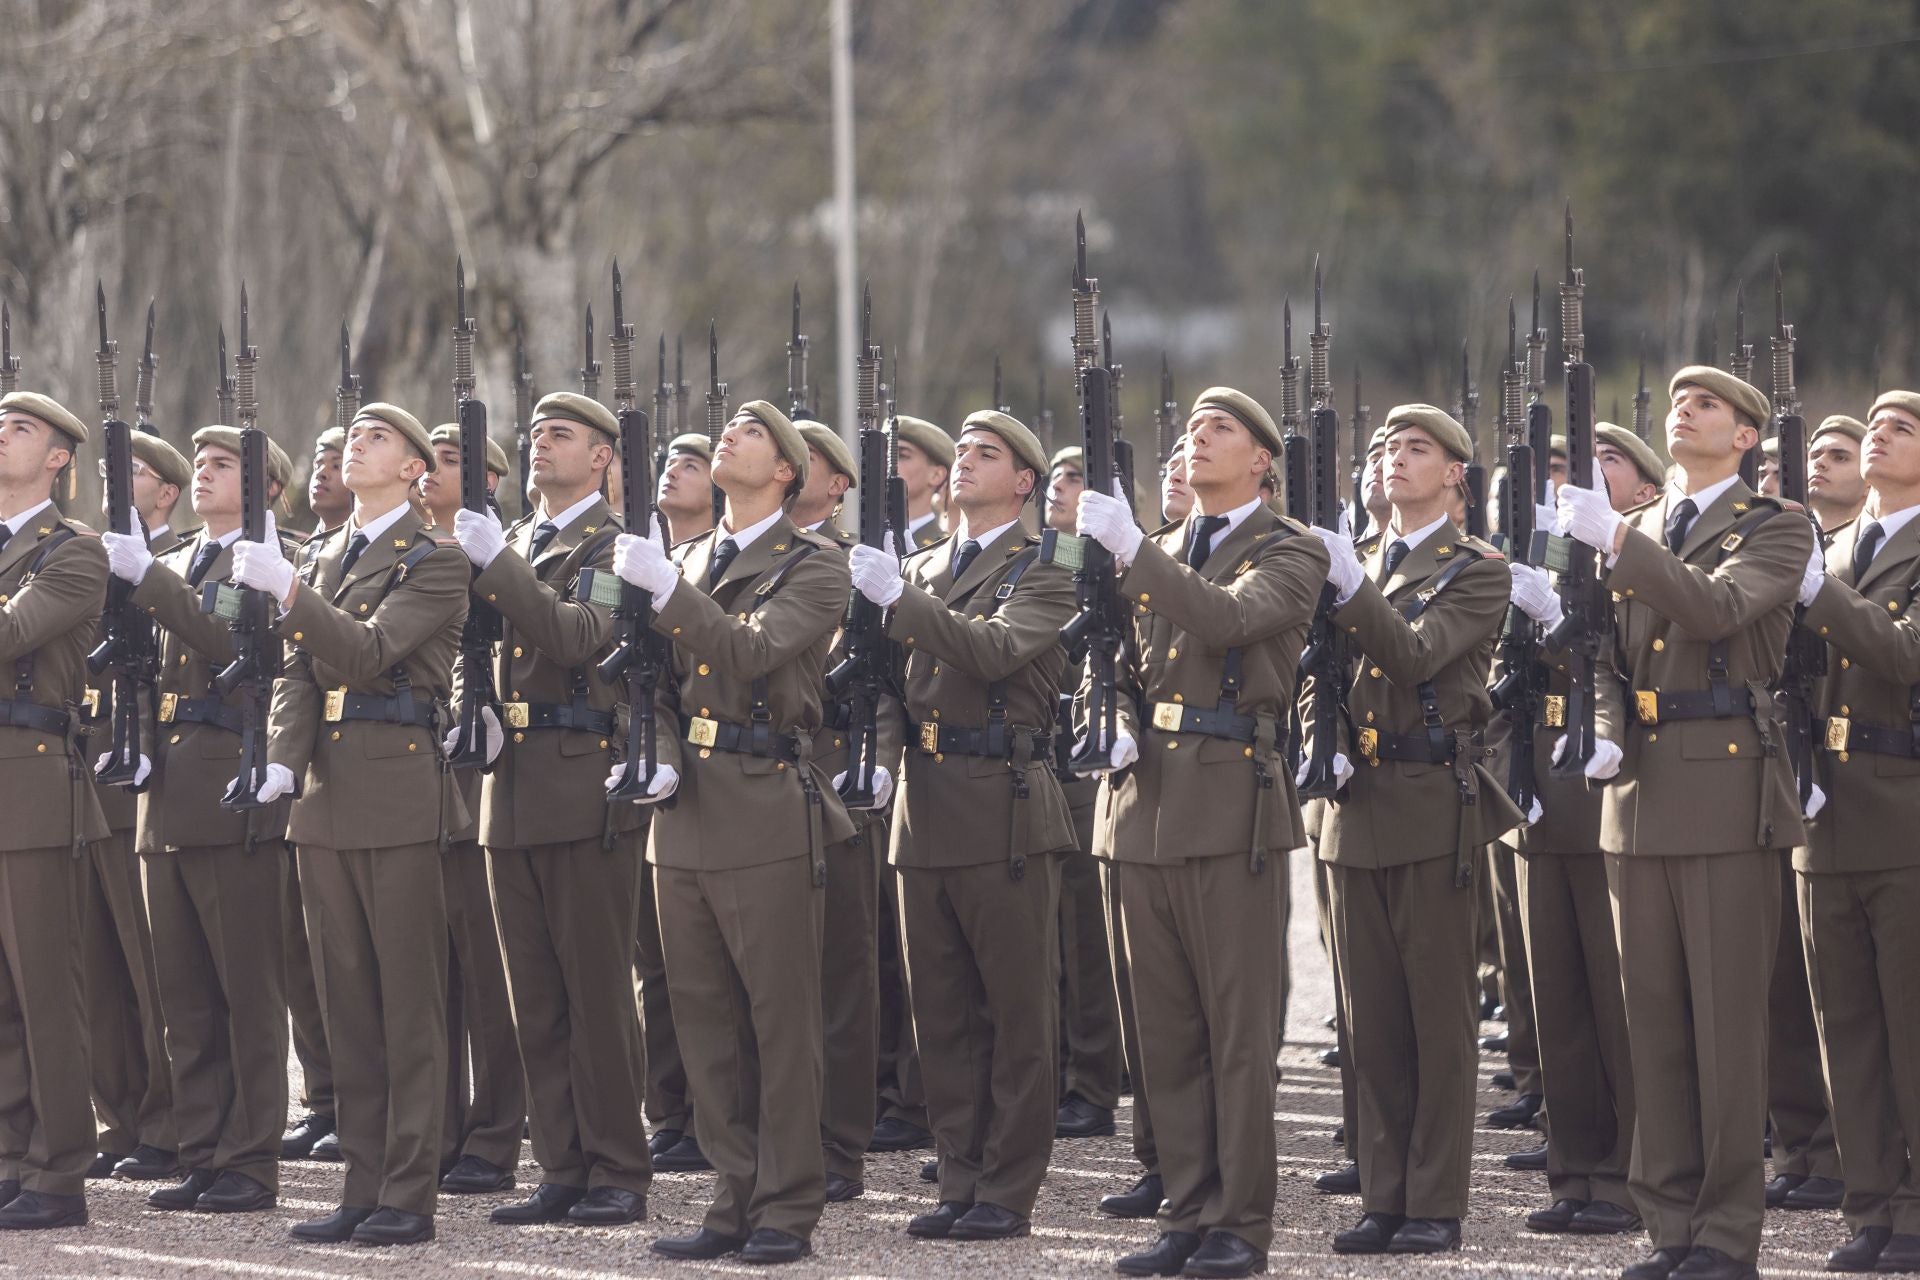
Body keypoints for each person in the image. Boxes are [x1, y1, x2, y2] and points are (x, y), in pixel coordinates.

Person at [1555, 366, 1812, 1280]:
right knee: (1654, 1028)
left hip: (1724, 790)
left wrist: (1618, 540)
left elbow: (1718, 608)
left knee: (1726, 1031)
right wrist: (1603, 728)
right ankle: (1669, 1225)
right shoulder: (1644, 526)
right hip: (1638, 798)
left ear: (1745, 436)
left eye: (1706, 405)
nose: (1684, 412)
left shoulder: (1776, 527)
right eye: (1678, 403)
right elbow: (1599, 654)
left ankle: (1726, 1234)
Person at [1077, 388, 1329, 1279]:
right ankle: (1184, 1211)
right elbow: (1111, 663)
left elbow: (1229, 621)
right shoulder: (1159, 550)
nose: (1197, 439)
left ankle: (1239, 1223)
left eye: (1219, 428)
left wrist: (1134, 551)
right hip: (1142, 805)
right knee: (1166, 1033)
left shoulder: (1291, 550)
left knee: (1236, 1034)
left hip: (1228, 805)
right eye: (1190, 429)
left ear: (1262, 459)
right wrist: (1110, 716)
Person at [611, 399, 852, 1266]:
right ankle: (732, 1195)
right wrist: (658, 752)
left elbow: (749, 652)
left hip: (762, 800)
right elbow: (648, 685)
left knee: (778, 1022)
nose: (728, 437)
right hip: (684, 811)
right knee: (704, 1021)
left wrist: (666, 591)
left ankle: (787, 1204)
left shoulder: (815, 566)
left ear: (785, 470)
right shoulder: (681, 560)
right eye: (729, 428)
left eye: (750, 432)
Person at [232, 401, 470, 1246]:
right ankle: (362, 1182)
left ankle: (408, 1191)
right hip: (325, 797)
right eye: (354, 436)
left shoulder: (436, 560)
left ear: (414, 470)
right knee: (348, 1008)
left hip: (397, 788)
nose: (356, 447)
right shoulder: (327, 553)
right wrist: (281, 762)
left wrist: (290, 592)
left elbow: (369, 652)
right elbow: (298, 673)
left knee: (407, 1004)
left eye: (378, 439)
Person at [851, 410, 1074, 1243]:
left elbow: (992, 651)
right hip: (924, 804)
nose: (966, 463)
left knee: (1014, 1013)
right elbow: (882, 686)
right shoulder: (915, 567)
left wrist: (898, 599)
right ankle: (959, 1176)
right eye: (963, 452)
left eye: (988, 454)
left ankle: (1007, 1189)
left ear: (1024, 482)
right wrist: (878, 760)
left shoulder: (1048, 565)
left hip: (1002, 800)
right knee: (939, 1013)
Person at [1310, 403, 1523, 1258]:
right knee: (1369, 1020)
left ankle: (1433, 1200)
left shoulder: (1477, 571)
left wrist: (1349, 587)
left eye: (1416, 448)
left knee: (1437, 1018)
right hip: (1354, 803)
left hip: (1432, 800)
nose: (1393, 459)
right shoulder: (1357, 559)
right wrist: (1320, 739)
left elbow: (1413, 655)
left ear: (1454, 476)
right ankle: (1384, 1192)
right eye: (1386, 448)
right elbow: (1318, 673)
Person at [450, 393, 652, 1225]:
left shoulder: (614, 545)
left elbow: (577, 635)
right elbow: (470, 646)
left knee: (595, 993)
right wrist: (470, 709)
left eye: (560, 434)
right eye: (534, 434)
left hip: (580, 781)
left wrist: (498, 563)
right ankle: (562, 1166)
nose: (541, 445)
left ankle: (618, 1167)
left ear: (603, 457)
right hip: (511, 786)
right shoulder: (515, 541)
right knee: (532, 998)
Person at [98, 425, 299, 1214]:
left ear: (267, 487)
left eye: (224, 464)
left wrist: (150, 581)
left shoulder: (270, 563)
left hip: (231, 786)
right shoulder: (181, 561)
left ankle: (251, 1159)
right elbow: (144, 676)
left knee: (246, 992)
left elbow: (233, 649)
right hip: (169, 793)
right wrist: (141, 749)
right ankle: (204, 1148)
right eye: (203, 463)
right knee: (183, 997)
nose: (207, 473)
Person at [1503, 421, 1664, 1240]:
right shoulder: (1552, 549)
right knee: (1558, 1000)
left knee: (1617, 1001)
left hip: (1612, 789)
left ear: (1645, 490)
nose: (1587, 474)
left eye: (1609, 462)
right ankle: (1574, 1168)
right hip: (1545, 786)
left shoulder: (1647, 557)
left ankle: (1630, 1174)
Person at [1793, 389, 1920, 1273]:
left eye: (1902, 429)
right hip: (1824, 811)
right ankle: (1870, 1203)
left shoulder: (1833, 567)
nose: (1879, 436)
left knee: (1911, 1024)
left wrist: (1818, 592)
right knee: (1846, 1029)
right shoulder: (1830, 549)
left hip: (1901, 808)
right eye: (1873, 425)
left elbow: (1904, 652)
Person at [0, 391, 110, 1231]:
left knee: (45, 990)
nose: (1, 436)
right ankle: (11, 1158)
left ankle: (59, 1170)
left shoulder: (73, 551)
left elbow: (11, 634)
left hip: (32, 781)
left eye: (20, 428)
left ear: (59, 457)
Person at [78, 428, 191, 1184]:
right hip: (86, 770)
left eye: (136, 473)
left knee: (152, 970)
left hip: (141, 778)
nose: (117, 484)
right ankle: (118, 1116)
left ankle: (168, 1121)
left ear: (166, 492)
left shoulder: (177, 564)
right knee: (99, 967)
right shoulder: (86, 558)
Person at [418, 424, 527, 1196]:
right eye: (428, 457)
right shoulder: (408, 552)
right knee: (436, 972)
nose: (433, 469)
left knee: (490, 975)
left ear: (490, 480)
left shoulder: (502, 553)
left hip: (483, 779)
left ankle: (495, 1132)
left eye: (453, 460)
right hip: (420, 780)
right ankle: (443, 1129)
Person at [793, 419, 895, 1202]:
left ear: (837, 487)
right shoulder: (734, 559)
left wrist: (877, 761)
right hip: (759, 783)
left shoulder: (854, 567)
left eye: (807, 459)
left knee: (841, 974)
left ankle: (838, 1143)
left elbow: (887, 681)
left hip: (836, 775)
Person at [1041, 445, 1125, 1144]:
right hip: (1040, 761)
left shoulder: (1108, 562)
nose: (1059, 489)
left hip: (1082, 765)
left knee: (1085, 941)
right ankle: (1057, 1074)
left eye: (1075, 478)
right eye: (1054, 478)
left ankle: (1093, 1083)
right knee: (1045, 946)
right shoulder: (1043, 558)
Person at [894, 416, 955, 550]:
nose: (888, 464)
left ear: (936, 475)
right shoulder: (858, 543)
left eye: (902, 455)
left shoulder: (943, 549)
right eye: (883, 455)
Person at [1806, 414, 1868, 534]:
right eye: (1815, 456)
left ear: (1869, 483)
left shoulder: (1880, 542)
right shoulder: (1786, 538)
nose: (1819, 462)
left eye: (1840, 458)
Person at [655, 433, 716, 547]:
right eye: (669, 464)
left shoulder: (724, 555)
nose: (670, 472)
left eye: (690, 466)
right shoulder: (646, 551)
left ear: (717, 491)